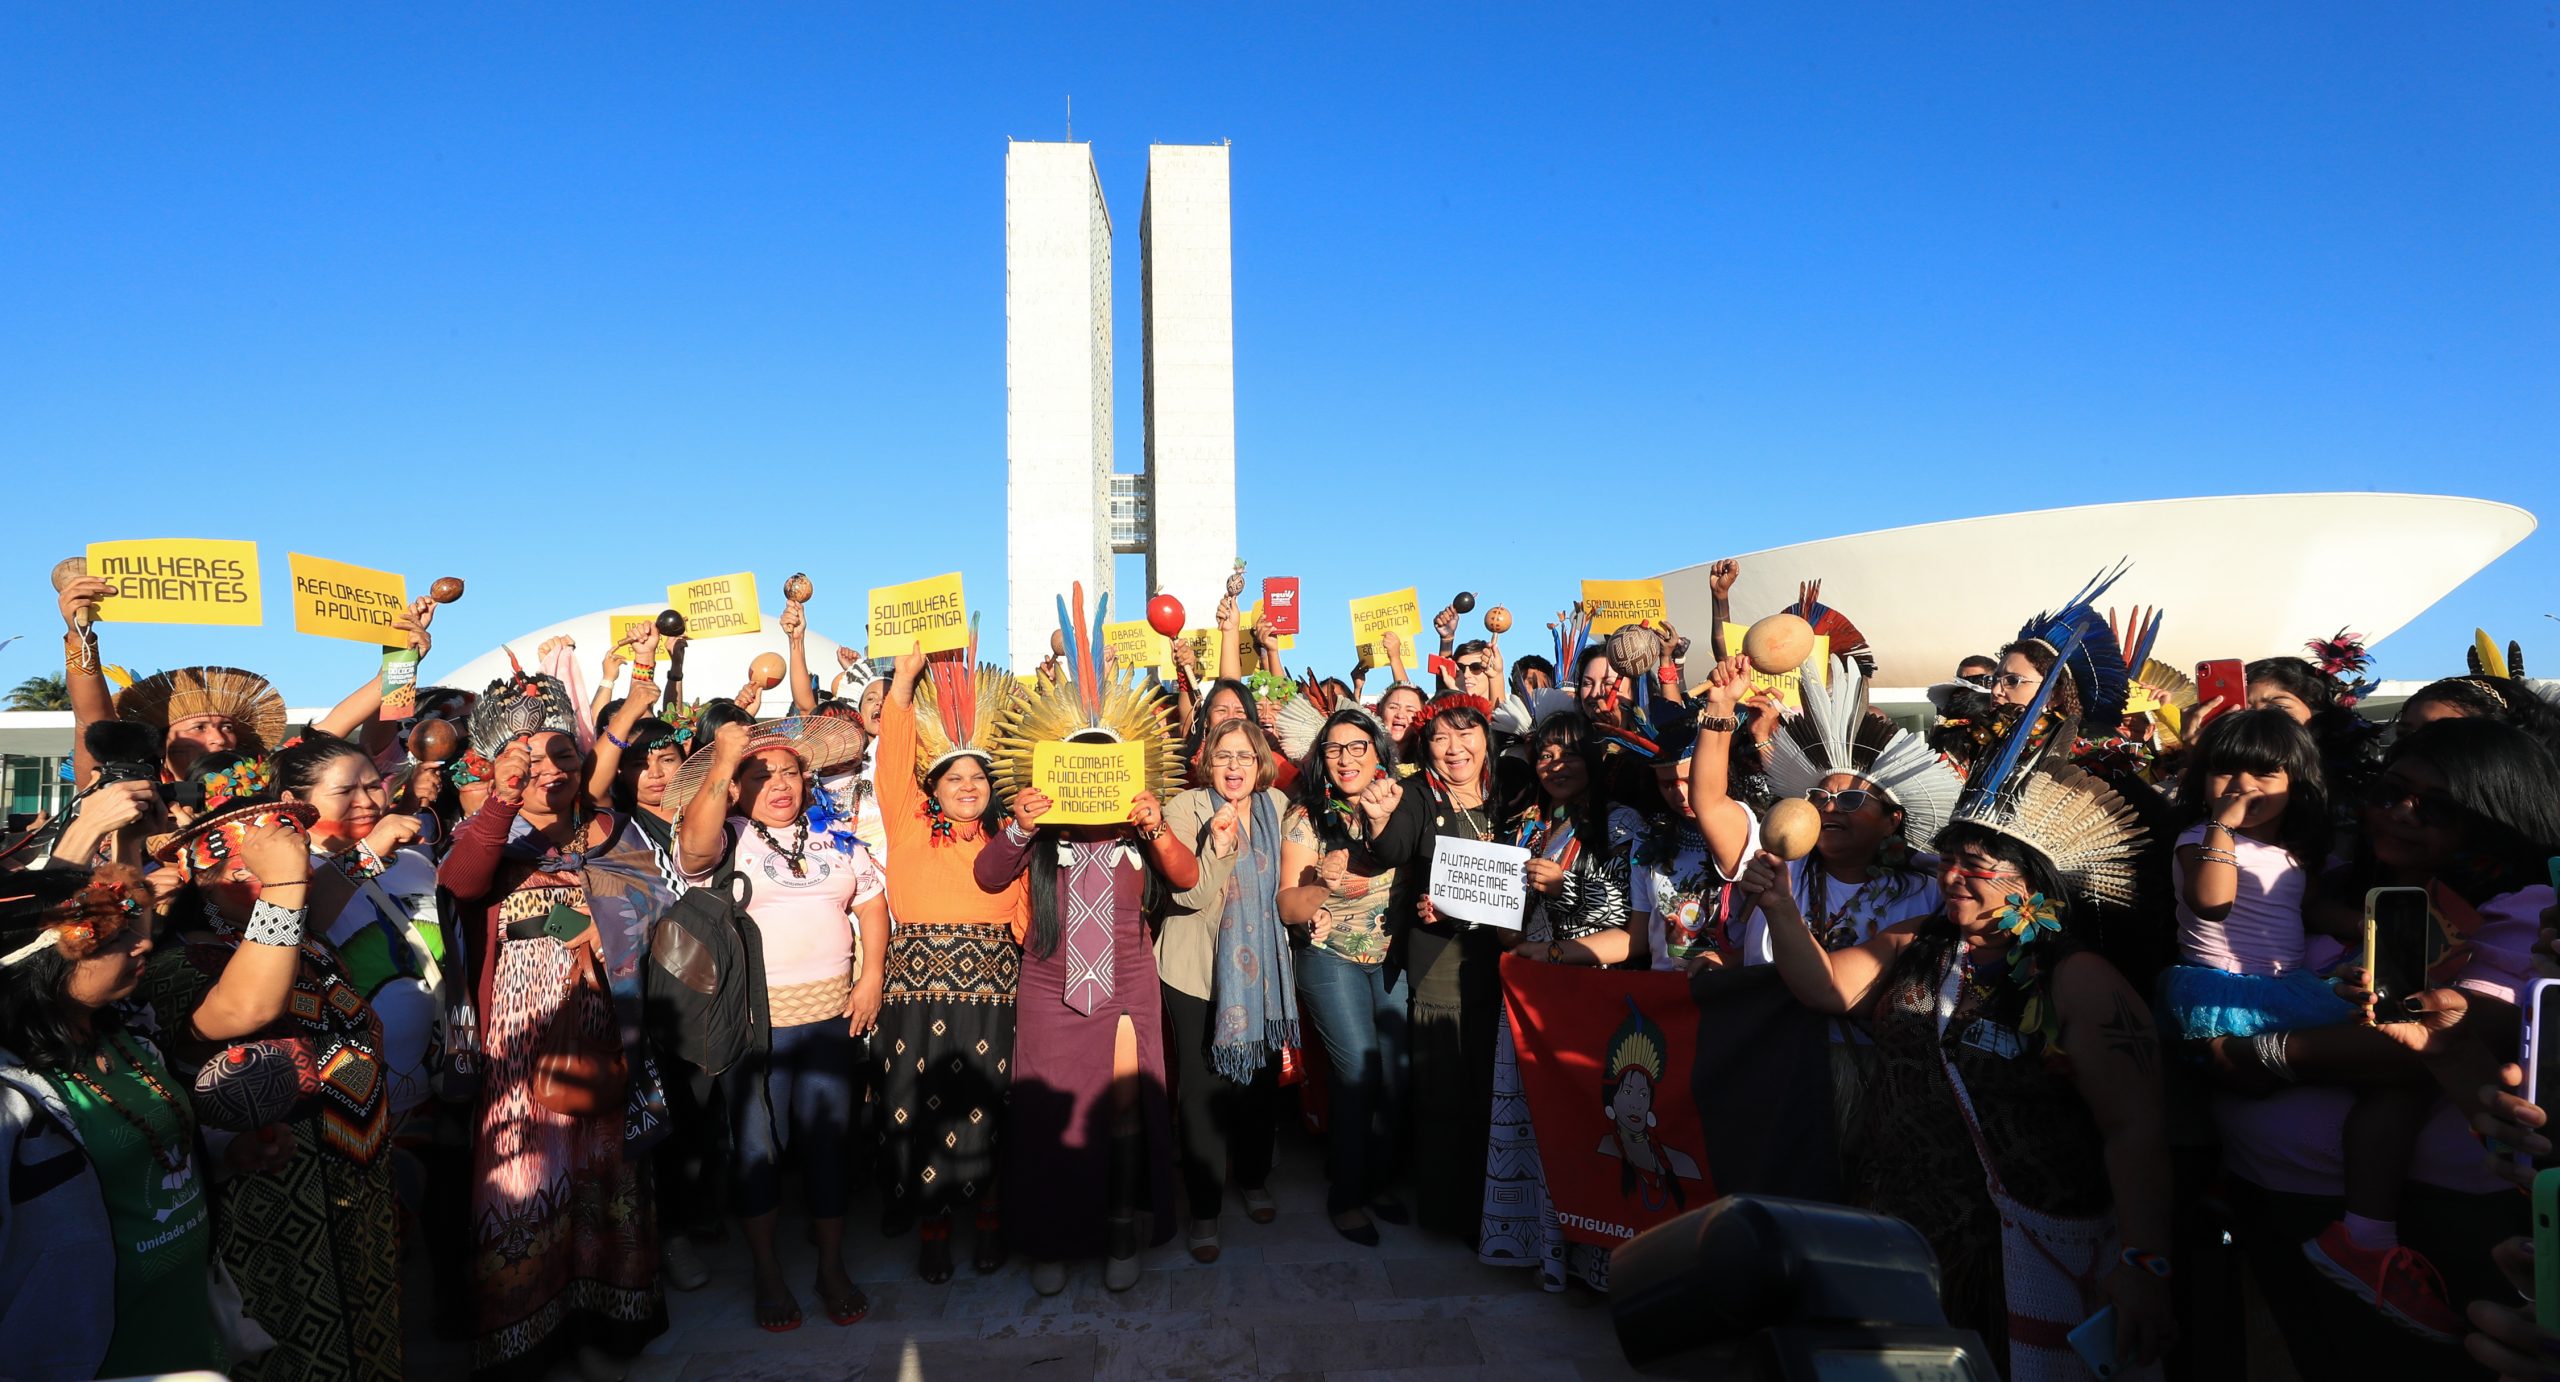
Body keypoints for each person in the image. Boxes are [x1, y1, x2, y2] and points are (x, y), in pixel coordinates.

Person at [1745, 688, 2176, 1377]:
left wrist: (2145, 1260)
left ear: (2034, 883)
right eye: (1949, 860)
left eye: (1975, 869)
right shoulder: (1923, 939)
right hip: (1905, 1236)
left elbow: (2136, 1128)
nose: (1951, 879)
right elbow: (1827, 987)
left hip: (2023, 1247)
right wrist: (1778, 908)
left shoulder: (2082, 980)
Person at [2206, 718, 2560, 1373]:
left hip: (2422, 1225)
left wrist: (2260, 1055)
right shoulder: (2330, 880)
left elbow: (2444, 1033)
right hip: (2269, 1194)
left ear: (2496, 816)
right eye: (2391, 790)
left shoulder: (2527, 909)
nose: (2401, 812)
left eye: (2437, 806)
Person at [438, 670, 665, 1381]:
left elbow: (655, 905)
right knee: (525, 1181)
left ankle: (605, 1323)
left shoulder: (612, 831)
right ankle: (526, 1335)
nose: (549, 772)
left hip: (603, 1034)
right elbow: (464, 886)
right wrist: (503, 803)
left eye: (562, 755)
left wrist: (605, 929)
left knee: (606, 1180)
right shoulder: (489, 835)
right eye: (527, 760)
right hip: (518, 1048)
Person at [146, 767, 407, 1382]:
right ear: (212, 867)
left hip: (356, 1179)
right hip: (275, 1202)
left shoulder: (303, 938)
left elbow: (326, 892)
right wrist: (286, 883)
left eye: (293, 834)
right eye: (274, 837)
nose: (297, 849)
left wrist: (353, 859)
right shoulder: (182, 961)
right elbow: (248, 1008)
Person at [978, 628, 1197, 1295]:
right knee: (1053, 1115)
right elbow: (989, 876)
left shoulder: (1142, 827)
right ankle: (1052, 1237)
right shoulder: (1036, 833)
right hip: (1050, 987)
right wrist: (1018, 825)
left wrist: (1156, 825)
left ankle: (1121, 1225)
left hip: (1127, 986)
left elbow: (1185, 877)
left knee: (1124, 1111)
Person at [671, 714, 882, 1331]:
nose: (780, 785)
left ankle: (832, 1266)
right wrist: (721, 767)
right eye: (762, 776)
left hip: (830, 1020)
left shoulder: (836, 836)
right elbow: (694, 852)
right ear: (737, 787)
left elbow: (870, 902)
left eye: (790, 772)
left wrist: (869, 977)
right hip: (754, 1025)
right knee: (757, 1149)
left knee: (827, 1143)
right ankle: (766, 1272)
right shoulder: (729, 834)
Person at [0, 864, 245, 1381]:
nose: (142, 945)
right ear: (44, 960)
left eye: (137, 927)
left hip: (180, 1324)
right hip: (89, 1355)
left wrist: (225, 1157)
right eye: (115, 937)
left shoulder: (129, 1036)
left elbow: (134, 1164)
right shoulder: (10, 1093)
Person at [1476, 709, 1649, 1293]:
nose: (1555, 766)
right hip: (1531, 994)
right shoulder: (1527, 825)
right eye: (1545, 755)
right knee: (1537, 1123)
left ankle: (1597, 1266)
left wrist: (1565, 892)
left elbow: (1633, 931)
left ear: (1594, 761)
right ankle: (1546, 1252)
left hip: (1589, 996)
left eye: (1569, 753)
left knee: (1590, 1124)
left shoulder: (1625, 825)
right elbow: (1511, 928)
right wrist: (1479, 906)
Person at [875, 642, 1027, 1282]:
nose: (968, 787)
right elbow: (893, 755)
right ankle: (933, 1230)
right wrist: (904, 683)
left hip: (992, 996)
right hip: (915, 996)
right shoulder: (908, 820)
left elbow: (1026, 920)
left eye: (978, 779)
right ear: (931, 788)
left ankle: (989, 1221)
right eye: (953, 778)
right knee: (918, 1108)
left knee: (987, 1110)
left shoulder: (1009, 841)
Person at [1278, 704, 1428, 1244]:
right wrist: (1320, 882)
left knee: (1396, 1075)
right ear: (1321, 757)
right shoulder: (1306, 815)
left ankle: (1375, 1180)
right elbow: (1288, 906)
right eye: (1334, 748)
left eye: (1357, 746)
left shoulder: (1403, 801)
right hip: (1330, 957)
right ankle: (1345, 1196)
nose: (1345, 758)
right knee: (1358, 1074)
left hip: (1391, 960)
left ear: (1378, 752)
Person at [1157, 717, 1295, 1261]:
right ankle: (1206, 1207)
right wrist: (1217, 843)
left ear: (1260, 760)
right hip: (1195, 967)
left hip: (1261, 969)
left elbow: (1290, 882)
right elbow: (1189, 897)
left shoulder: (1279, 808)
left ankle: (1254, 1175)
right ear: (1206, 762)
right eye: (1223, 756)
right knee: (1202, 1092)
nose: (1234, 767)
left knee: (1258, 1080)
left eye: (1244, 755)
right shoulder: (1183, 810)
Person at [1401, 694, 1513, 1241]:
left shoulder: (1514, 793)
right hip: (1443, 962)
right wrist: (1424, 902)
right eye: (1441, 738)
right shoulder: (1420, 795)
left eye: (1465, 733)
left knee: (1494, 1088)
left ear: (1485, 738)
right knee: (1445, 1091)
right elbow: (1394, 847)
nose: (1455, 748)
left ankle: (1498, 1209)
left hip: (1510, 962)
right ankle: (1449, 1211)